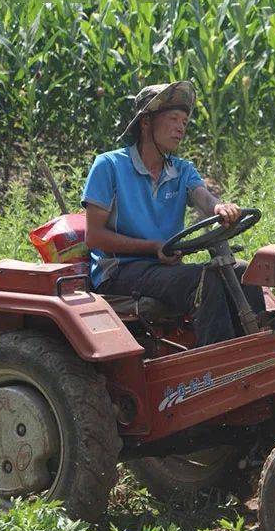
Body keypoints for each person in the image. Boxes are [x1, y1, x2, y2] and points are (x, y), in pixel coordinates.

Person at [81, 80, 265, 346]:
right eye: (174, 118)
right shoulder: (109, 166)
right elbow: (94, 237)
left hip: (163, 270)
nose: (181, 127)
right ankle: (221, 368)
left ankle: (258, 350)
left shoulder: (182, 170)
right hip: (120, 271)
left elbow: (203, 197)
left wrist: (219, 207)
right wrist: (153, 247)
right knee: (207, 279)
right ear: (146, 122)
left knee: (242, 271)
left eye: (185, 121)